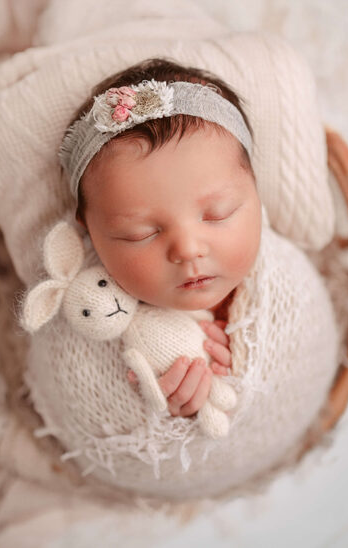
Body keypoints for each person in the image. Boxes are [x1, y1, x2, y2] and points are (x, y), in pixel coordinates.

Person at [60, 58, 262, 421]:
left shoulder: (273, 278)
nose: (188, 249)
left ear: (256, 191)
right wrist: (160, 404)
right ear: (88, 232)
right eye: (141, 233)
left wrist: (253, 359)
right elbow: (84, 398)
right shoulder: (95, 310)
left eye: (218, 214)